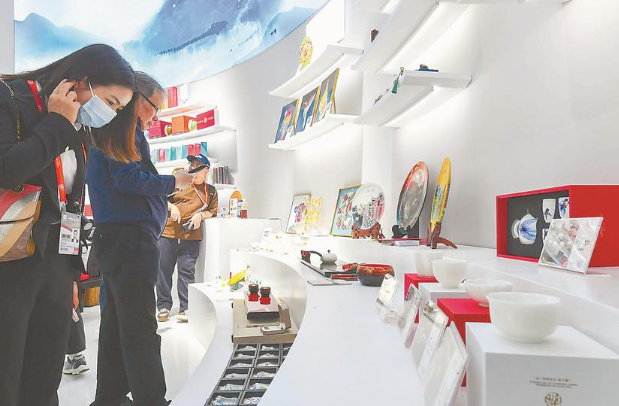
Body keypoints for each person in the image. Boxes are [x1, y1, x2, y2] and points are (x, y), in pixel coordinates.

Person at [0, 44, 138, 406]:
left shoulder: (78, 129)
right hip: (9, 269)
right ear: (81, 80)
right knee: (6, 379)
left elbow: (68, 204)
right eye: (110, 102)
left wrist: (69, 273)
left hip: (55, 272)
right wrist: (57, 124)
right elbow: (7, 169)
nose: (110, 114)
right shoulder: (11, 98)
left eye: (118, 110)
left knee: (44, 382)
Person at [87, 71, 190, 406]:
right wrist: (173, 183)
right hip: (130, 241)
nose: (155, 116)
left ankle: (111, 397)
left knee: (117, 323)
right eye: (154, 107)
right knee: (140, 326)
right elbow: (129, 179)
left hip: (119, 239)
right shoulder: (124, 127)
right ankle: (151, 400)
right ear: (137, 99)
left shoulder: (113, 129)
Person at [157, 154, 218, 323]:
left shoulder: (211, 191)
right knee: (163, 270)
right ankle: (163, 306)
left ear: (205, 170)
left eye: (196, 164)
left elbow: (212, 211)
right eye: (191, 163)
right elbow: (160, 200)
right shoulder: (180, 182)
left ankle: (186, 308)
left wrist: (200, 215)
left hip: (191, 236)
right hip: (168, 233)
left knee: (187, 272)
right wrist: (172, 207)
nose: (192, 167)